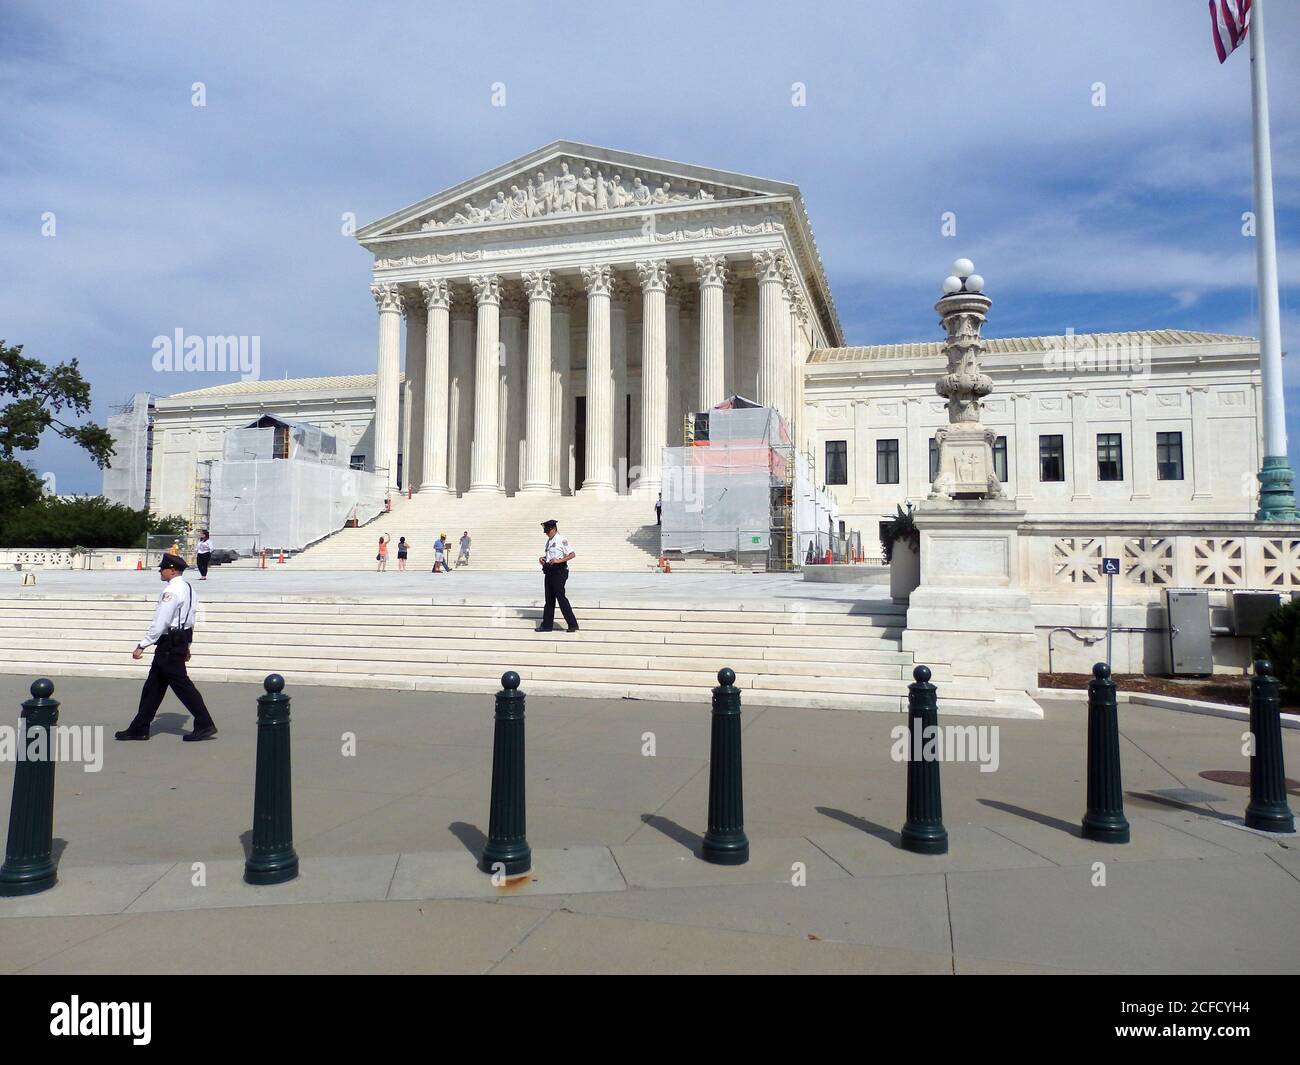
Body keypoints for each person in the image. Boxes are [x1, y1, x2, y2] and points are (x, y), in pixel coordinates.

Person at [115, 553, 218, 741]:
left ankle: (205, 723)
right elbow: (189, 620)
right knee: (153, 687)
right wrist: (187, 645)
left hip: (169, 643)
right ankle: (140, 727)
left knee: (182, 686)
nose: (159, 572)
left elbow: (161, 621)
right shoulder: (189, 588)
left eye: (162, 569)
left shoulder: (171, 591)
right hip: (179, 640)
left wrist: (143, 644)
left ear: (172, 570)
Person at [536, 519, 578, 633]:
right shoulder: (549, 541)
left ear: (554, 529)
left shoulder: (561, 539)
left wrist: (559, 561)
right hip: (549, 571)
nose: (546, 533)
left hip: (559, 571)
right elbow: (550, 556)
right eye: (545, 531)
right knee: (549, 599)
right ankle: (547, 625)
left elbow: (572, 554)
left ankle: (572, 624)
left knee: (561, 598)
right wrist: (543, 559)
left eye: (548, 531)